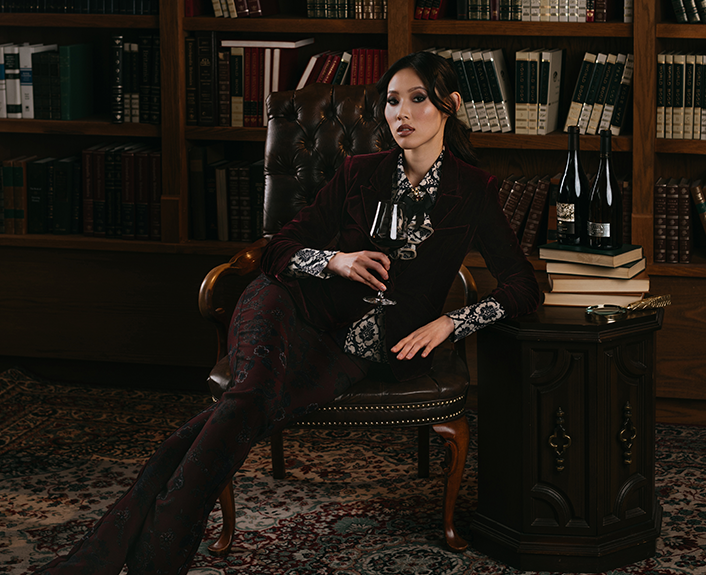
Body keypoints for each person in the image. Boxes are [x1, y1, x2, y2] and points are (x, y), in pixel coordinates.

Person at [34, 51, 540, 575]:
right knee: (250, 397)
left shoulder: (473, 190)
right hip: (287, 304)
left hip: (355, 350)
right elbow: (278, 249)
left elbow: (522, 286)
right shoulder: (359, 172)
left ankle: (99, 560)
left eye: (417, 99)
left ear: (449, 105)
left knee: (237, 410)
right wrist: (335, 260)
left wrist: (451, 322)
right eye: (392, 101)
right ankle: (154, 562)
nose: (401, 113)